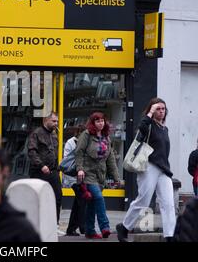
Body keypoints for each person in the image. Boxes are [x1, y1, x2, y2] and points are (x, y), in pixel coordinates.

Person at [116, 98, 176, 242]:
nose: (161, 111)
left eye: (163, 109)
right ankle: (124, 227)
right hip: (148, 166)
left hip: (164, 170)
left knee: (168, 204)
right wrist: (150, 113)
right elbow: (142, 128)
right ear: (152, 110)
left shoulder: (164, 128)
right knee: (143, 200)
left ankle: (170, 236)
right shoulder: (148, 126)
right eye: (158, 109)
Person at [75, 112, 120, 239]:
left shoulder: (106, 137)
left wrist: (116, 178)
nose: (101, 123)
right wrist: (79, 169)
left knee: (92, 204)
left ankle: (89, 231)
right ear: (93, 123)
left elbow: (110, 159)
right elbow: (79, 152)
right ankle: (105, 227)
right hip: (87, 173)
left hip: (101, 175)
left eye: (102, 121)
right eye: (97, 121)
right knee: (99, 198)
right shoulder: (87, 135)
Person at [27, 112, 63, 235]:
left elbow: (53, 152)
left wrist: (57, 167)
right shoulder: (36, 133)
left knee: (57, 197)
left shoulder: (54, 134)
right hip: (39, 171)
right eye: (53, 121)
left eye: (57, 121)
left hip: (53, 171)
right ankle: (35, 225)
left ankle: (55, 225)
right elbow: (32, 151)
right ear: (45, 120)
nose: (56, 123)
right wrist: (41, 165)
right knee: (38, 199)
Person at [63, 124, 86, 236]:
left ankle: (71, 228)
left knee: (78, 202)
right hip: (72, 177)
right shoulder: (71, 142)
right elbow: (67, 160)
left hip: (81, 178)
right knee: (82, 200)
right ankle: (82, 226)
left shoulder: (86, 142)